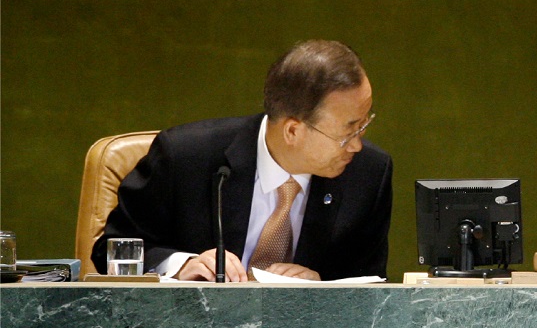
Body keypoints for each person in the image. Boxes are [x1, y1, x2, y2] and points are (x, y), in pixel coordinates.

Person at [94, 40, 393, 281]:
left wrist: (320, 285)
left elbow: (369, 282)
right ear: (293, 130)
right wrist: (181, 265)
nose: (356, 145)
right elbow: (111, 250)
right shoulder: (186, 157)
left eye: (363, 126)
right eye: (347, 131)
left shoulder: (368, 174)